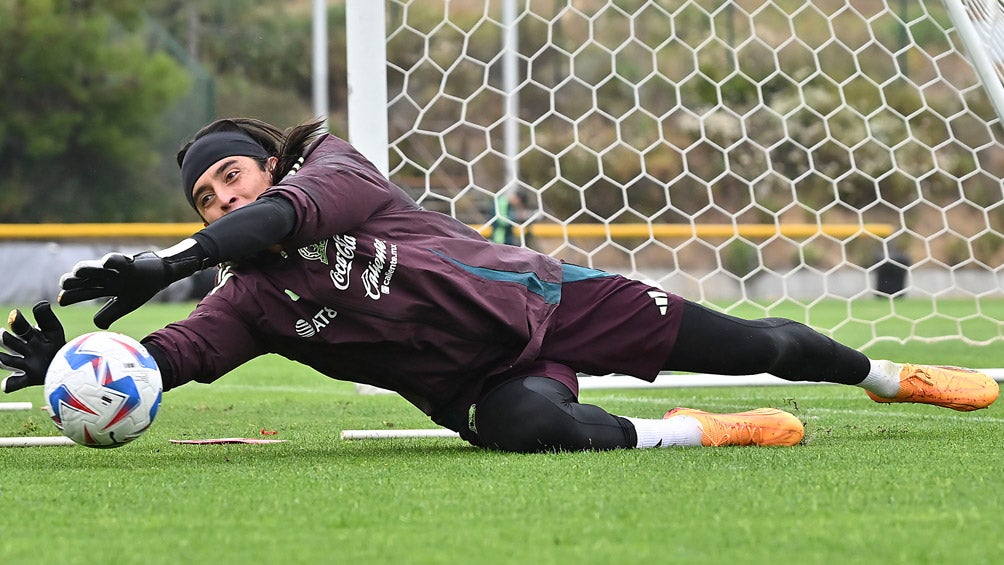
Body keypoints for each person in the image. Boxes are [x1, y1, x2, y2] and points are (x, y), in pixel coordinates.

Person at [1, 117, 998, 452]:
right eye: (205, 198)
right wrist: (86, 370)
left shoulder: (334, 174)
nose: (224, 198)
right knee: (531, 432)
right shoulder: (250, 301)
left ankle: (885, 373)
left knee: (767, 346)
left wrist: (169, 260)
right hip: (478, 385)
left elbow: (290, 218)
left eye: (230, 176)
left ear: (262, 167)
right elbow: (175, 356)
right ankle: (694, 432)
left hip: (552, 298)